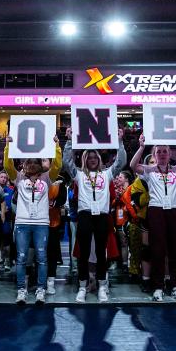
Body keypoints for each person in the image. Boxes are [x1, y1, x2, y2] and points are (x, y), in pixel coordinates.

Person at [129, 134, 176, 302]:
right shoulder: (149, 171)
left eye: (165, 151)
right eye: (159, 151)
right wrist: (141, 147)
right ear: (154, 155)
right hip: (156, 211)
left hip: (174, 211)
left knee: (174, 250)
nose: (162, 154)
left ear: (169, 154)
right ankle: (158, 287)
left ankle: (175, 286)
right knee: (157, 250)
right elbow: (133, 165)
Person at [62, 127, 127, 303]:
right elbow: (67, 162)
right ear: (85, 160)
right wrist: (68, 141)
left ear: (98, 159)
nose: (92, 160)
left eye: (94, 157)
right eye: (88, 157)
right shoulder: (79, 175)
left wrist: (120, 142)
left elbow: (120, 162)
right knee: (83, 253)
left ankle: (102, 286)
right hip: (85, 215)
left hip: (102, 217)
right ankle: (82, 287)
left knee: (101, 252)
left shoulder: (107, 174)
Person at [4, 135, 61, 305]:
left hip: (42, 224)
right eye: (28, 162)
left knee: (42, 258)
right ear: (23, 165)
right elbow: (7, 166)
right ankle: (22, 290)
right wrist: (7, 146)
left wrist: (57, 146)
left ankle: (40, 290)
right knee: (21, 258)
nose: (31, 165)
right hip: (22, 223)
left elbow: (57, 165)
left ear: (39, 165)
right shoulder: (18, 178)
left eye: (34, 162)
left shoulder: (47, 178)